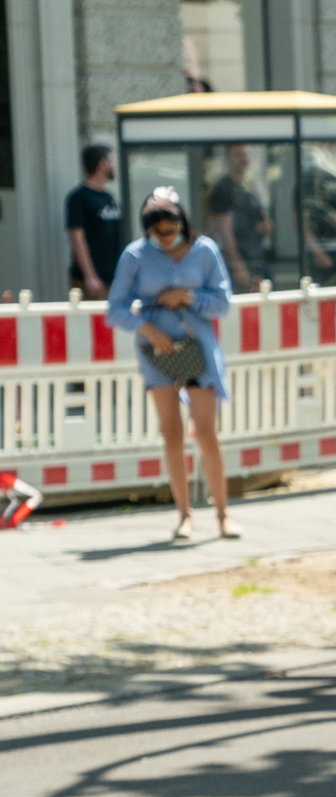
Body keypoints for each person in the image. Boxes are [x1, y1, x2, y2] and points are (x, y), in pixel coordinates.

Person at [104, 188, 237, 542]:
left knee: (207, 433)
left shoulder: (205, 250)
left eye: (170, 230)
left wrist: (189, 296)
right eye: (157, 233)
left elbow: (223, 302)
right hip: (156, 352)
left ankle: (223, 514)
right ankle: (184, 516)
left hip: (199, 348)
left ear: (182, 222)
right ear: (147, 229)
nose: (164, 239)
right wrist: (145, 326)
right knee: (172, 433)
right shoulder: (135, 255)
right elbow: (114, 308)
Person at [206, 145, 274, 286]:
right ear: (228, 159)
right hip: (239, 262)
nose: (244, 159)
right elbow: (224, 232)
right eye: (238, 155)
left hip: (258, 258)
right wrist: (238, 266)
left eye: (246, 155)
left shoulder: (249, 186)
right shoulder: (223, 189)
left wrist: (264, 226)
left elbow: (261, 221)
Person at [65, 145, 122, 299]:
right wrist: (90, 276)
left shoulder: (108, 197)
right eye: (110, 161)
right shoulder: (79, 198)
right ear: (102, 164)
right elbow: (77, 237)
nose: (113, 166)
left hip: (113, 278)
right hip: (94, 280)